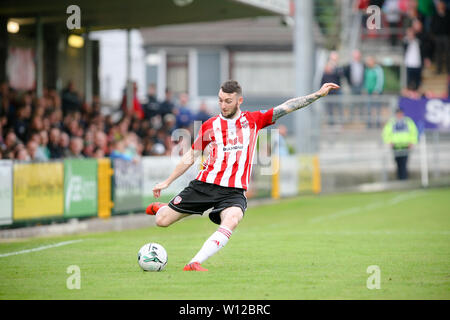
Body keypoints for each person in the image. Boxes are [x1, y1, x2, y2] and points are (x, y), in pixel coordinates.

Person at [146, 80, 340, 271]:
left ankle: (194, 263)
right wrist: (167, 181)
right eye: (220, 100)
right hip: (205, 186)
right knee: (161, 221)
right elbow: (191, 156)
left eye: (228, 101)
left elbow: (287, 106)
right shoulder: (210, 126)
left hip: (233, 192)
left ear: (239, 101)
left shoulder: (253, 120)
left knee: (232, 219)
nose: (223, 105)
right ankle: (163, 208)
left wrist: (317, 95)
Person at [382, 108, 418, 180]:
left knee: (404, 163)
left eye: (400, 113)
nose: (399, 115)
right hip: (396, 146)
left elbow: (414, 132)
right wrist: (389, 142)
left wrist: (412, 142)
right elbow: (386, 133)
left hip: (405, 145)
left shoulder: (408, 121)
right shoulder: (392, 122)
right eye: (398, 113)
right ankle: (400, 178)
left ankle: (404, 178)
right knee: (398, 163)